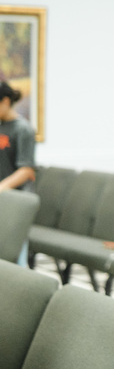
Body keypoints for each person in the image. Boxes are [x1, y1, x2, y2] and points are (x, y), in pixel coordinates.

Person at [0, 81, 37, 266]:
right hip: (2, 200)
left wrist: (2, 187)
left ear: (5, 101)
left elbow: (26, 170)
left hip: (16, 200)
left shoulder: (23, 129)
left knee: (16, 255)